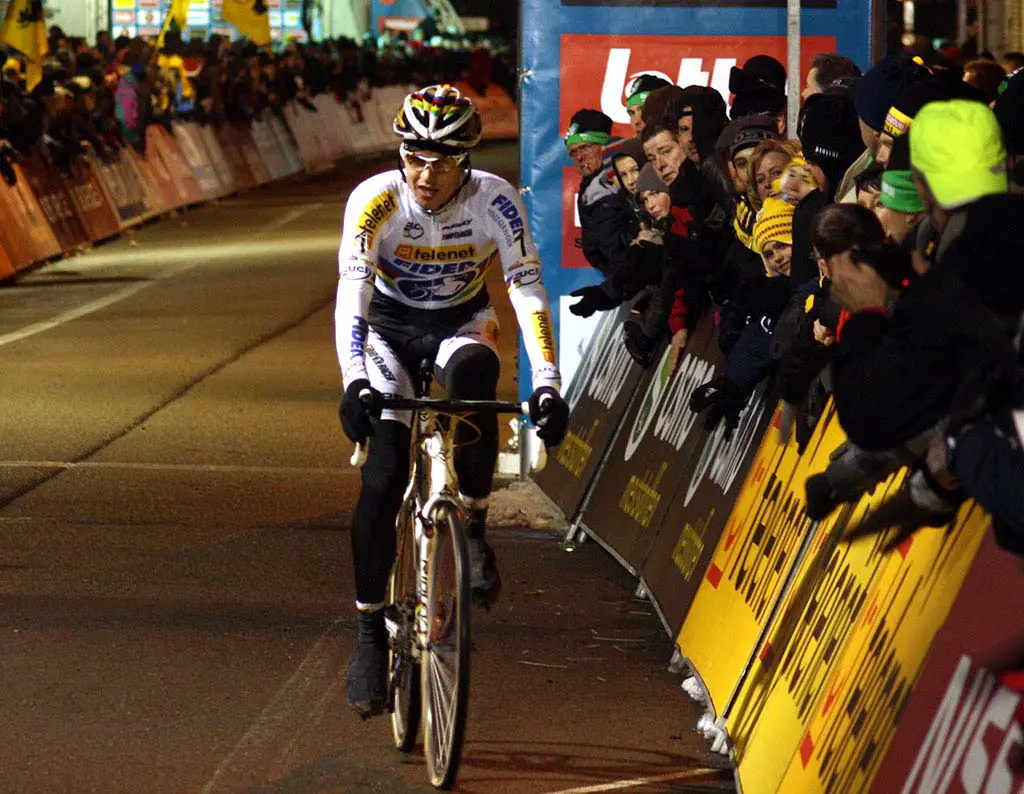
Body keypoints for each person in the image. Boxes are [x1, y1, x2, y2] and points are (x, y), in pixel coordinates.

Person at [334, 84, 570, 718]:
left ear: (467, 158)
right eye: (414, 155)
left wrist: (546, 381)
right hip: (387, 330)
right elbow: (351, 294)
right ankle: (366, 634)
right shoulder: (375, 200)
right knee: (381, 481)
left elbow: (526, 289)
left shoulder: (497, 199)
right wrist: (354, 378)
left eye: (442, 159)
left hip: (461, 322)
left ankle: (473, 522)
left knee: (473, 381)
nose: (426, 172)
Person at [565, 108, 636, 275]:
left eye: (585, 147)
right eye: (573, 152)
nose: (579, 157)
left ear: (604, 146)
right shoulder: (588, 190)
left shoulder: (629, 176)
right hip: (618, 280)